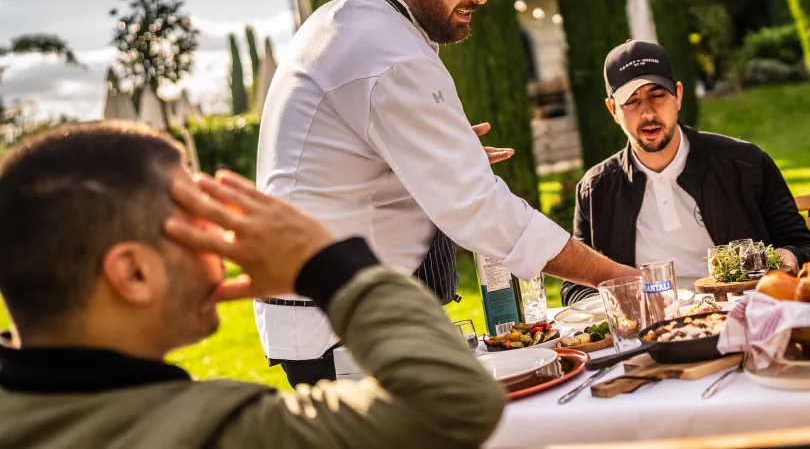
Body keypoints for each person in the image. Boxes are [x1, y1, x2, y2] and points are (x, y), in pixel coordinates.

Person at [256, 0, 638, 386]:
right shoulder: (392, 56)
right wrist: (617, 280)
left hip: (331, 312)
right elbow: (478, 208)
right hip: (345, 325)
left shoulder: (348, 21)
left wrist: (440, 155)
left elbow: (344, 161)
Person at [0, 122, 506, 449]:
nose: (226, 246)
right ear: (134, 273)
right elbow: (454, 403)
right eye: (203, 224)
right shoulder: (215, 431)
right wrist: (326, 263)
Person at [560, 40, 810, 305]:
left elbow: (804, 246)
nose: (647, 112)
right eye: (632, 101)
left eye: (657, 95)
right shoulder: (596, 189)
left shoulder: (745, 164)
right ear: (613, 110)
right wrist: (619, 305)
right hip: (650, 322)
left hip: (742, 312)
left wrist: (790, 256)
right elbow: (576, 287)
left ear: (678, 95)